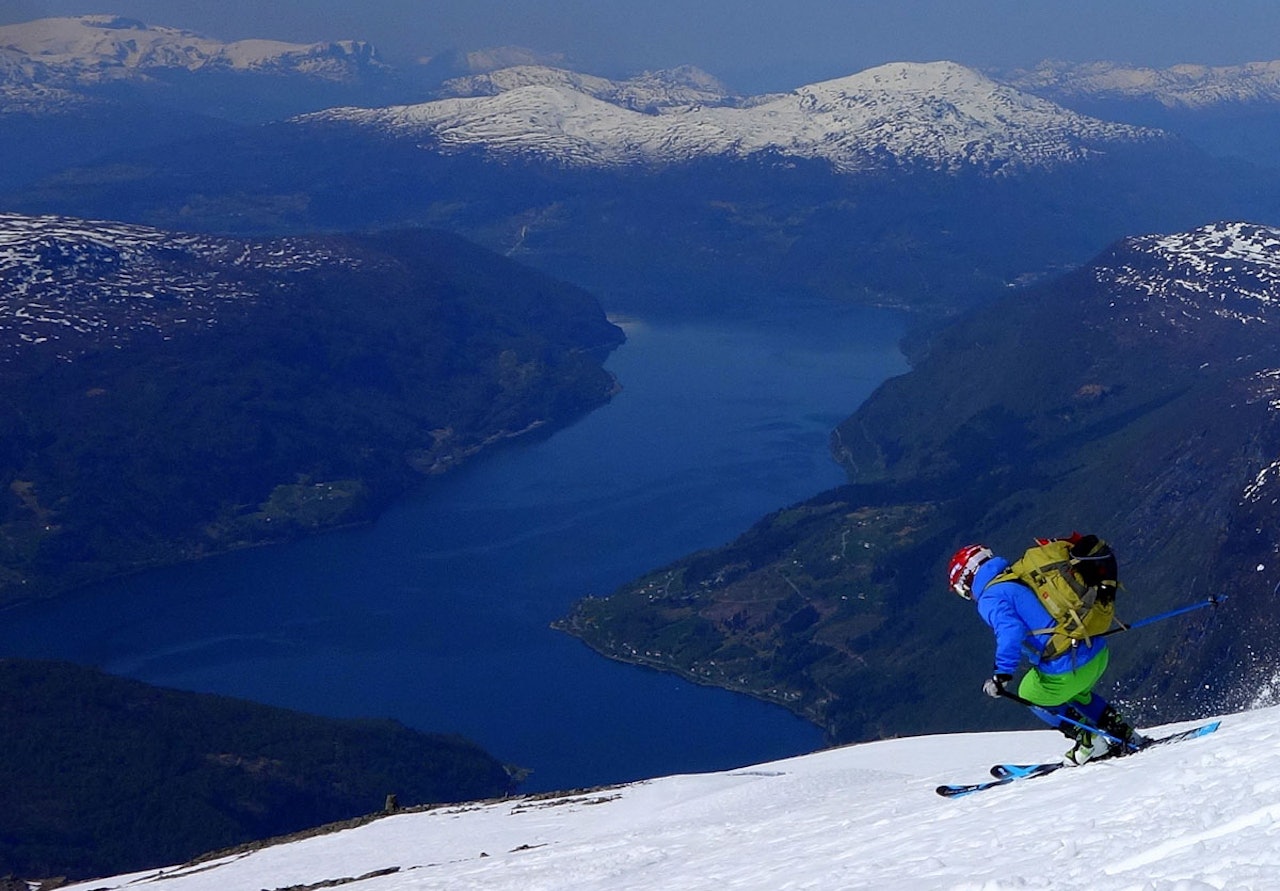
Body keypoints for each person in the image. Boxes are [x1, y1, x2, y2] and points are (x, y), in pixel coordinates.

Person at [947, 540, 1149, 765]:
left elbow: (1011, 632)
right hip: (1096, 651)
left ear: (967, 579)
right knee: (1075, 695)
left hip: (1069, 666)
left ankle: (1090, 741)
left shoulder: (990, 597)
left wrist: (1001, 674)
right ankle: (1124, 733)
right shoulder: (1018, 575)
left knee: (1030, 693)